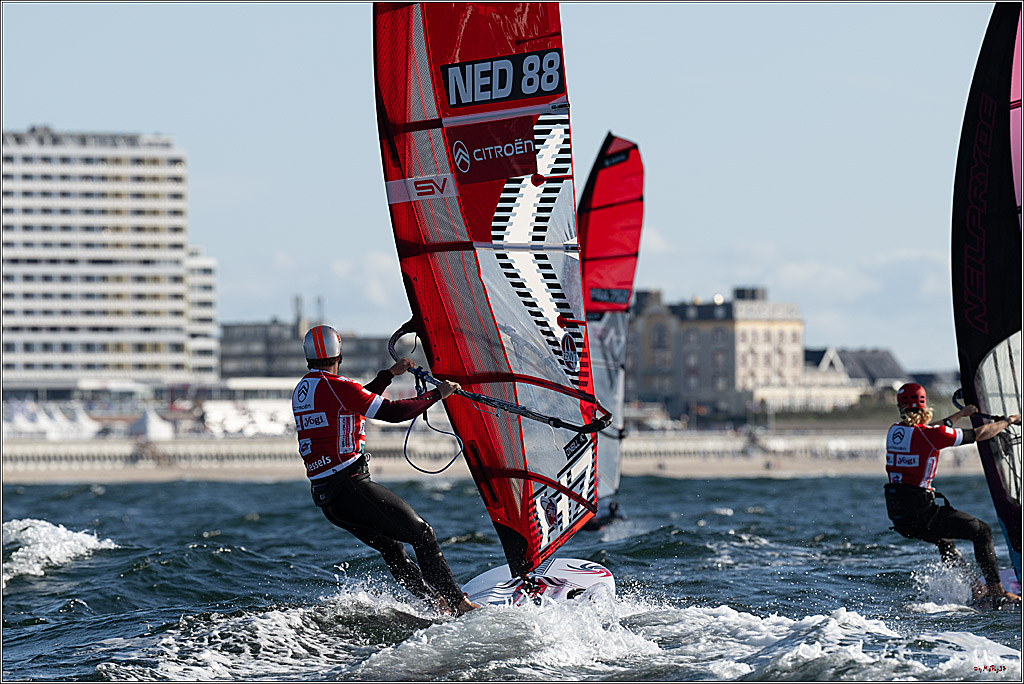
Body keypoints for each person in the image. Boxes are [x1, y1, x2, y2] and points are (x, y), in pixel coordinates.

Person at [291, 325, 481, 615]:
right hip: (351, 485)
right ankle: (459, 603)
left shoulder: (305, 389)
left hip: (328, 499)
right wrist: (437, 395)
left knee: (392, 549)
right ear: (338, 354)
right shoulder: (337, 386)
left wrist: (388, 375)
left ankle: (436, 604)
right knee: (423, 535)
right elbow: (391, 412)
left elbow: (354, 401)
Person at [883, 382, 1022, 609]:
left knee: (944, 540)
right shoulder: (932, 435)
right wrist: (1009, 421)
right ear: (924, 403)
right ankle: (997, 592)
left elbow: (932, 431)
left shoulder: (895, 432)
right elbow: (980, 433)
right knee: (982, 532)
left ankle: (977, 589)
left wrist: (960, 414)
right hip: (922, 512)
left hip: (900, 518)